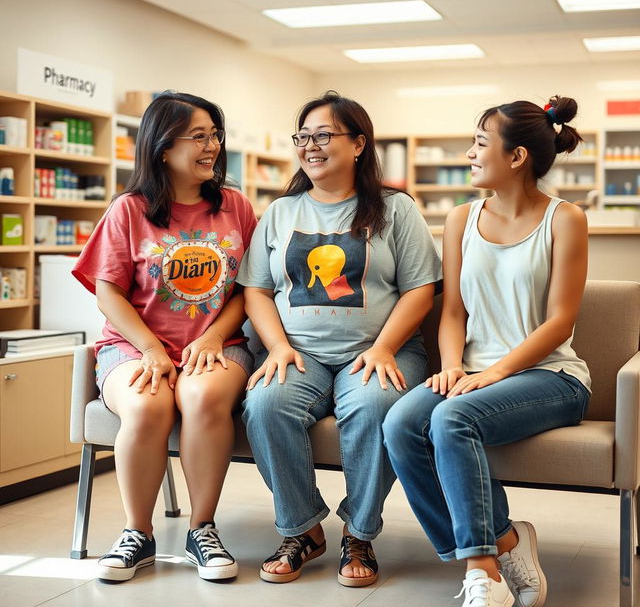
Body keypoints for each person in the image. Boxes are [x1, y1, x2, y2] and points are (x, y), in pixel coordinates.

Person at [383, 96, 592, 607]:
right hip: (475, 372)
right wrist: (453, 365)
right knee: (400, 424)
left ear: (516, 156)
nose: (469, 152)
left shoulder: (565, 220)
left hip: (551, 377)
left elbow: (560, 321)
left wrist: (492, 374)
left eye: (479, 142)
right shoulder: (460, 219)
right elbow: (452, 310)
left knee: (452, 419)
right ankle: (505, 543)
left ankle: (484, 574)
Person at [237, 91, 442, 587]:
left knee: (375, 407)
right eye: (303, 136)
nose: (311, 145)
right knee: (265, 405)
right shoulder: (281, 212)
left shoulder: (396, 209)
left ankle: (359, 532)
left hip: (379, 352)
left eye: (323, 135)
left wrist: (383, 347)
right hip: (298, 353)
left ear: (358, 145)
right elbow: (257, 291)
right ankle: (302, 529)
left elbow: (421, 289)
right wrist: (279, 347)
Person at [73, 91, 257, 582]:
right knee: (147, 402)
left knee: (201, 398)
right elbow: (108, 294)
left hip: (216, 345)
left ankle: (202, 529)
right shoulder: (128, 210)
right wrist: (151, 348)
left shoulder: (236, 207)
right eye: (199, 136)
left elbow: (249, 290)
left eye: (215, 134)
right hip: (132, 346)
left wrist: (216, 335)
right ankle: (138, 533)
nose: (212, 146)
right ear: (161, 146)